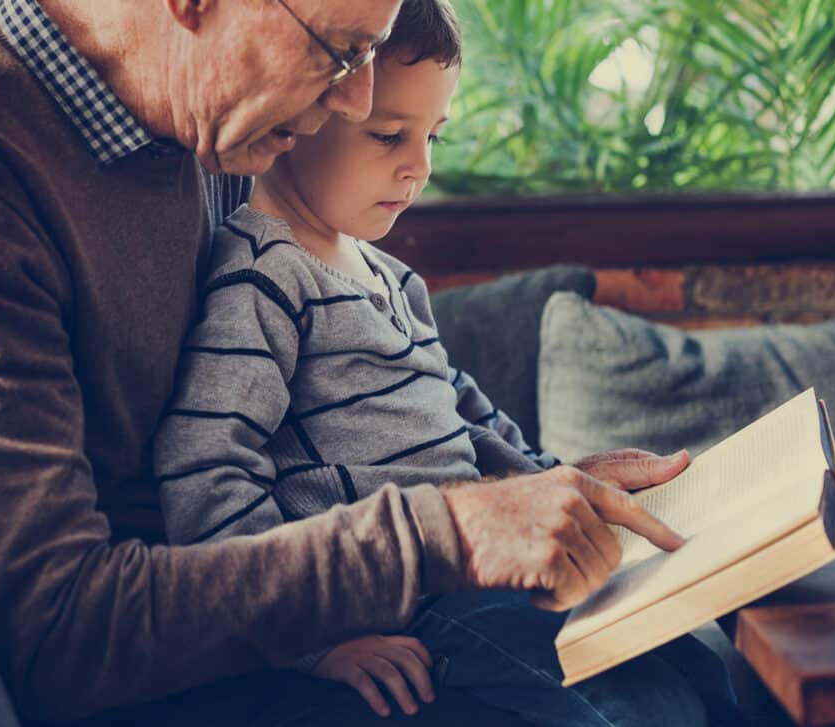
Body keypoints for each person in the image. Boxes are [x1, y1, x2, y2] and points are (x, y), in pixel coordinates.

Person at [0, 0, 723, 724]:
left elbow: (362, 388)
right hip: (182, 668)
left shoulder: (203, 119)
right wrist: (444, 533)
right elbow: (62, 632)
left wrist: (550, 486)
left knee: (682, 655)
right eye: (339, 51)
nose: (358, 103)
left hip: (298, 601)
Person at [153, 1, 741, 725]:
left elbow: (469, 413)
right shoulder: (263, 277)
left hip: (487, 565)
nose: (420, 166)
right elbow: (204, 469)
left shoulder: (392, 279)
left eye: (433, 136)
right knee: (636, 708)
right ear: (306, 109)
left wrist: (565, 479)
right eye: (390, 134)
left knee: (694, 656)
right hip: (413, 597)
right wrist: (313, 641)